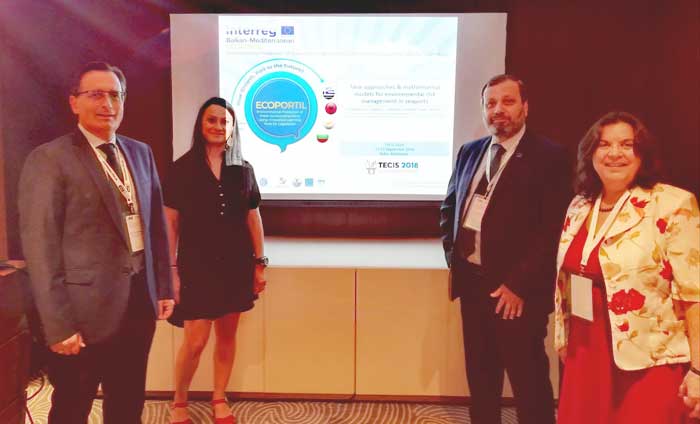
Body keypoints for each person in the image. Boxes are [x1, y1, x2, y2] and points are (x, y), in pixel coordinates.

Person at [18, 61, 174, 423]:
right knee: (72, 407)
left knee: (128, 403)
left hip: (137, 304)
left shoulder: (140, 153)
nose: (108, 104)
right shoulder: (50, 159)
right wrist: (58, 324)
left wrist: (163, 285)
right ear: (74, 102)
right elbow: (40, 248)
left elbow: (155, 227)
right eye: (96, 95)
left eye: (115, 95)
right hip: (81, 314)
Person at [440, 74, 570, 424]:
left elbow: (552, 230)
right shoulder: (470, 152)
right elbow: (450, 208)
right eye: (491, 103)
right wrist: (455, 257)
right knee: (481, 379)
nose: (498, 110)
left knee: (529, 382)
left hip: (515, 295)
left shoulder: (550, 157)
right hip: (473, 286)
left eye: (508, 101)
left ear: (525, 107)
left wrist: (519, 285)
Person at [554, 111, 700, 422]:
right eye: (604, 144)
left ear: (642, 153)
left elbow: (694, 295)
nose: (615, 153)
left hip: (648, 359)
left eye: (626, 144)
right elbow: (567, 280)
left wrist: (698, 371)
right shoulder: (580, 205)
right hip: (584, 351)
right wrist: (563, 338)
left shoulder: (672, 204)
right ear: (591, 153)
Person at [164, 97, 266, 424]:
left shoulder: (244, 169)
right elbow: (171, 223)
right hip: (196, 266)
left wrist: (259, 263)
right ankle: (179, 400)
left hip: (236, 265)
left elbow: (253, 217)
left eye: (225, 121)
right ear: (201, 124)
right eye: (212, 120)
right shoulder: (181, 169)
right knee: (195, 341)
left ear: (233, 128)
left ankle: (219, 397)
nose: (218, 126)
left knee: (226, 336)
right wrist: (171, 270)